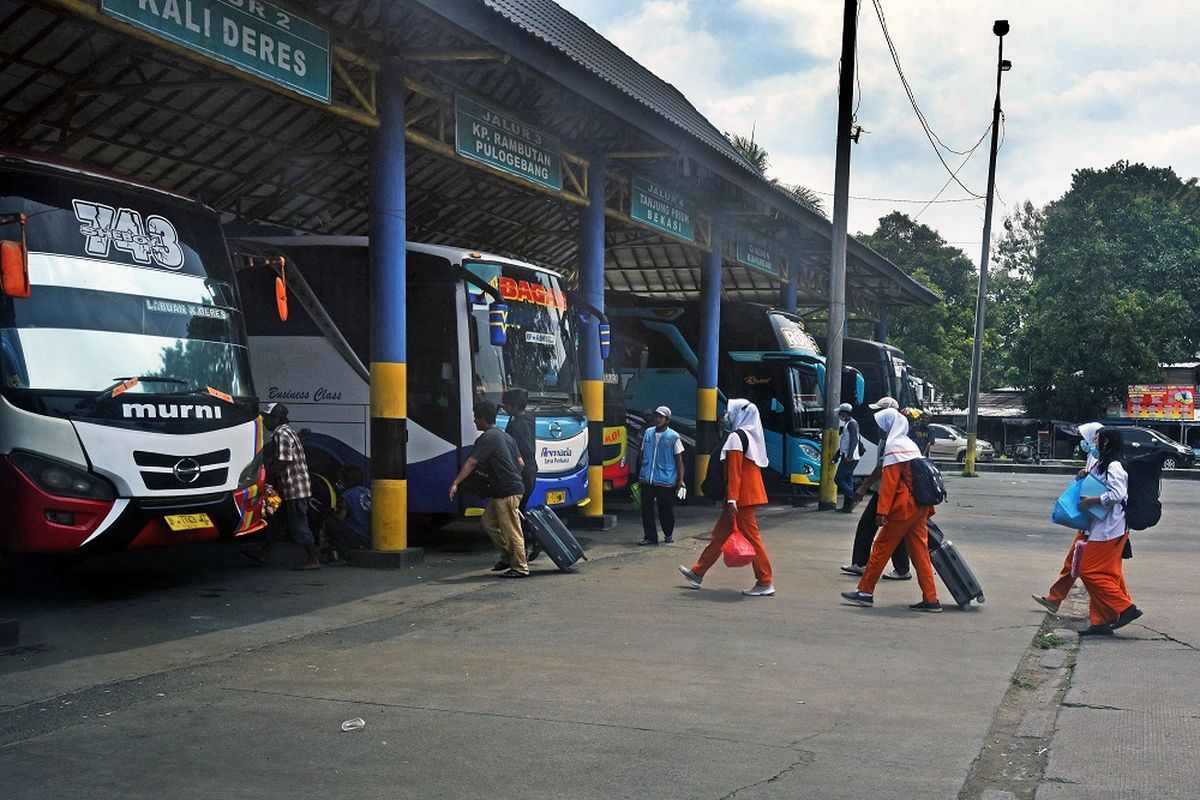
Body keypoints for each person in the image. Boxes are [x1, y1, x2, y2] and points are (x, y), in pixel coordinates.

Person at [840, 406, 941, 611]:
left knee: (880, 548)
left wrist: (881, 512)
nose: (880, 431)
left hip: (904, 508)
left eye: (882, 426)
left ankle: (865, 592)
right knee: (920, 554)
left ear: (889, 426)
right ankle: (931, 599)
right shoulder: (909, 445)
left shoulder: (894, 446)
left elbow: (889, 484)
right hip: (920, 507)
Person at [677, 398, 775, 596]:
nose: (727, 416)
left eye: (731, 412)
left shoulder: (736, 438)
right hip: (746, 495)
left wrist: (731, 500)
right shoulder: (750, 434)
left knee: (752, 539)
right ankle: (697, 572)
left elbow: (734, 472)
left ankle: (765, 581)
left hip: (740, 498)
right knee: (720, 535)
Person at [1070, 427, 1143, 636]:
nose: (1093, 443)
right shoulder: (1101, 465)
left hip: (1111, 528)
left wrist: (1094, 500)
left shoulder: (1115, 466)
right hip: (1101, 526)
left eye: (1097, 439)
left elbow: (1118, 494)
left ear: (1107, 442)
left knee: (1089, 570)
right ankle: (1101, 620)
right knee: (1108, 573)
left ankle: (1125, 608)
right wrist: (1084, 477)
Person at [840, 398, 919, 580]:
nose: (877, 418)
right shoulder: (891, 438)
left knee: (872, 526)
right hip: (888, 491)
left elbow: (883, 469)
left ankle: (865, 569)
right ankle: (897, 568)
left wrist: (864, 487)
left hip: (889, 492)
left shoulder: (892, 441)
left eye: (881, 413)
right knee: (892, 531)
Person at [449, 401, 529, 578]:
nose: (474, 422)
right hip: (508, 489)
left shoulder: (488, 438)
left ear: (483, 419)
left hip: (507, 491)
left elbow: (472, 462)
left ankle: (520, 566)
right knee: (488, 523)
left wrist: (456, 483)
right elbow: (521, 464)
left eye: (476, 418)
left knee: (511, 530)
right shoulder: (506, 437)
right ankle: (508, 556)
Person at [1032, 422, 1101, 614]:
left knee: (1084, 567)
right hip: (1090, 522)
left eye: (1092, 438)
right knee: (1075, 563)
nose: (1088, 442)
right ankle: (1055, 598)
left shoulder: (1106, 461)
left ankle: (1117, 606)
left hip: (1097, 524)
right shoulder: (1092, 457)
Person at [241, 403, 320, 570]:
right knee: (279, 523)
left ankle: (313, 559)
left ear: (276, 418)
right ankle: (264, 552)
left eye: (267, 418)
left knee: (299, 524)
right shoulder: (286, 432)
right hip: (290, 488)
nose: (264, 421)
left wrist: (264, 478)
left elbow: (282, 462)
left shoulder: (281, 435)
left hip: (294, 489)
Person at [637, 405, 686, 545]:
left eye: (661, 417)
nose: (657, 419)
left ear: (667, 419)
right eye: (656, 416)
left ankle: (668, 533)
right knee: (646, 510)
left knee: (665, 509)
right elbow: (642, 453)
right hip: (647, 478)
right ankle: (650, 537)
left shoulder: (673, 436)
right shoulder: (648, 433)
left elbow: (679, 460)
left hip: (666, 479)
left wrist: (680, 480)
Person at [320, 465, 371, 561]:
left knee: (330, 523)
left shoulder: (347, 495)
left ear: (347, 480)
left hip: (357, 535)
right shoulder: (367, 491)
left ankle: (334, 553)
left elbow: (340, 518)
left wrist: (332, 512)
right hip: (368, 534)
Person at [502, 388, 538, 509]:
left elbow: (519, 453)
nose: (504, 408)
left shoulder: (515, 426)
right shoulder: (530, 419)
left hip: (522, 473)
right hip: (532, 470)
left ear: (515, 407)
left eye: (506, 406)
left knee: (515, 509)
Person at [832, 402, 861, 512]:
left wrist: (849, 455)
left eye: (841, 413)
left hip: (851, 457)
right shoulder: (849, 424)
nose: (840, 415)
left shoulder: (852, 424)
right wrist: (838, 454)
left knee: (838, 478)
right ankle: (847, 507)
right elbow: (846, 442)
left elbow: (854, 440)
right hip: (848, 456)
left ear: (844, 413)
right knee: (848, 479)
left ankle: (853, 496)